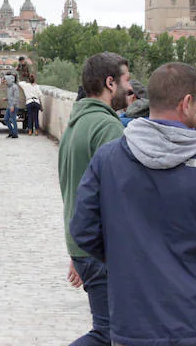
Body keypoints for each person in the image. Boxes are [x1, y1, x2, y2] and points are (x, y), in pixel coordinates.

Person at [71, 62, 196, 346]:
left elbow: (83, 229)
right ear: (186, 102)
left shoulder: (108, 159)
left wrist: (127, 258)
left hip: (134, 323)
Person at [58, 52, 132, 346]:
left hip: (85, 247)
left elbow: (72, 189)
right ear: (110, 83)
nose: (130, 88)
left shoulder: (76, 125)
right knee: (109, 334)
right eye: (126, 80)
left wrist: (78, 250)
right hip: (102, 251)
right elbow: (118, 196)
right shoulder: (108, 128)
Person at [4, 74, 20, 138]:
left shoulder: (14, 87)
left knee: (13, 120)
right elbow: (11, 97)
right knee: (6, 119)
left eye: (5, 80)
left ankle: (15, 134)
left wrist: (13, 106)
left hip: (14, 106)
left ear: (9, 80)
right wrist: (6, 99)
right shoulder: (9, 87)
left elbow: (16, 97)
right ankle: (11, 131)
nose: (5, 82)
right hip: (9, 105)